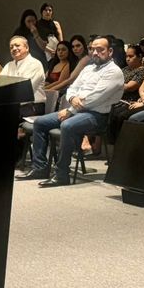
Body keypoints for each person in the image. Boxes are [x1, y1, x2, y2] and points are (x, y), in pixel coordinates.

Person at [17, 36, 124, 187]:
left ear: (110, 51)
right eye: (92, 49)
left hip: (97, 116)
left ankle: (62, 175)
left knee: (67, 125)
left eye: (100, 50)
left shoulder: (114, 72)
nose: (95, 52)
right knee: (40, 122)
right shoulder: (88, 68)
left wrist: (70, 110)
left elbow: (95, 98)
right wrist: (73, 97)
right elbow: (73, 87)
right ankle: (40, 168)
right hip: (77, 110)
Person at [106, 44, 144, 144]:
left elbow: (129, 87)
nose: (128, 59)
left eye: (131, 56)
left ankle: (117, 144)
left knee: (117, 115)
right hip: (117, 98)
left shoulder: (142, 71)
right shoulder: (124, 69)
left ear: (140, 56)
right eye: (126, 56)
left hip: (129, 101)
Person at [0, 36, 47, 117]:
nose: (14, 48)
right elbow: (0, 86)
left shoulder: (35, 64)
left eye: (17, 45)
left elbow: (25, 91)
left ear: (27, 47)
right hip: (12, 105)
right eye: (11, 47)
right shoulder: (9, 65)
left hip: (32, 107)